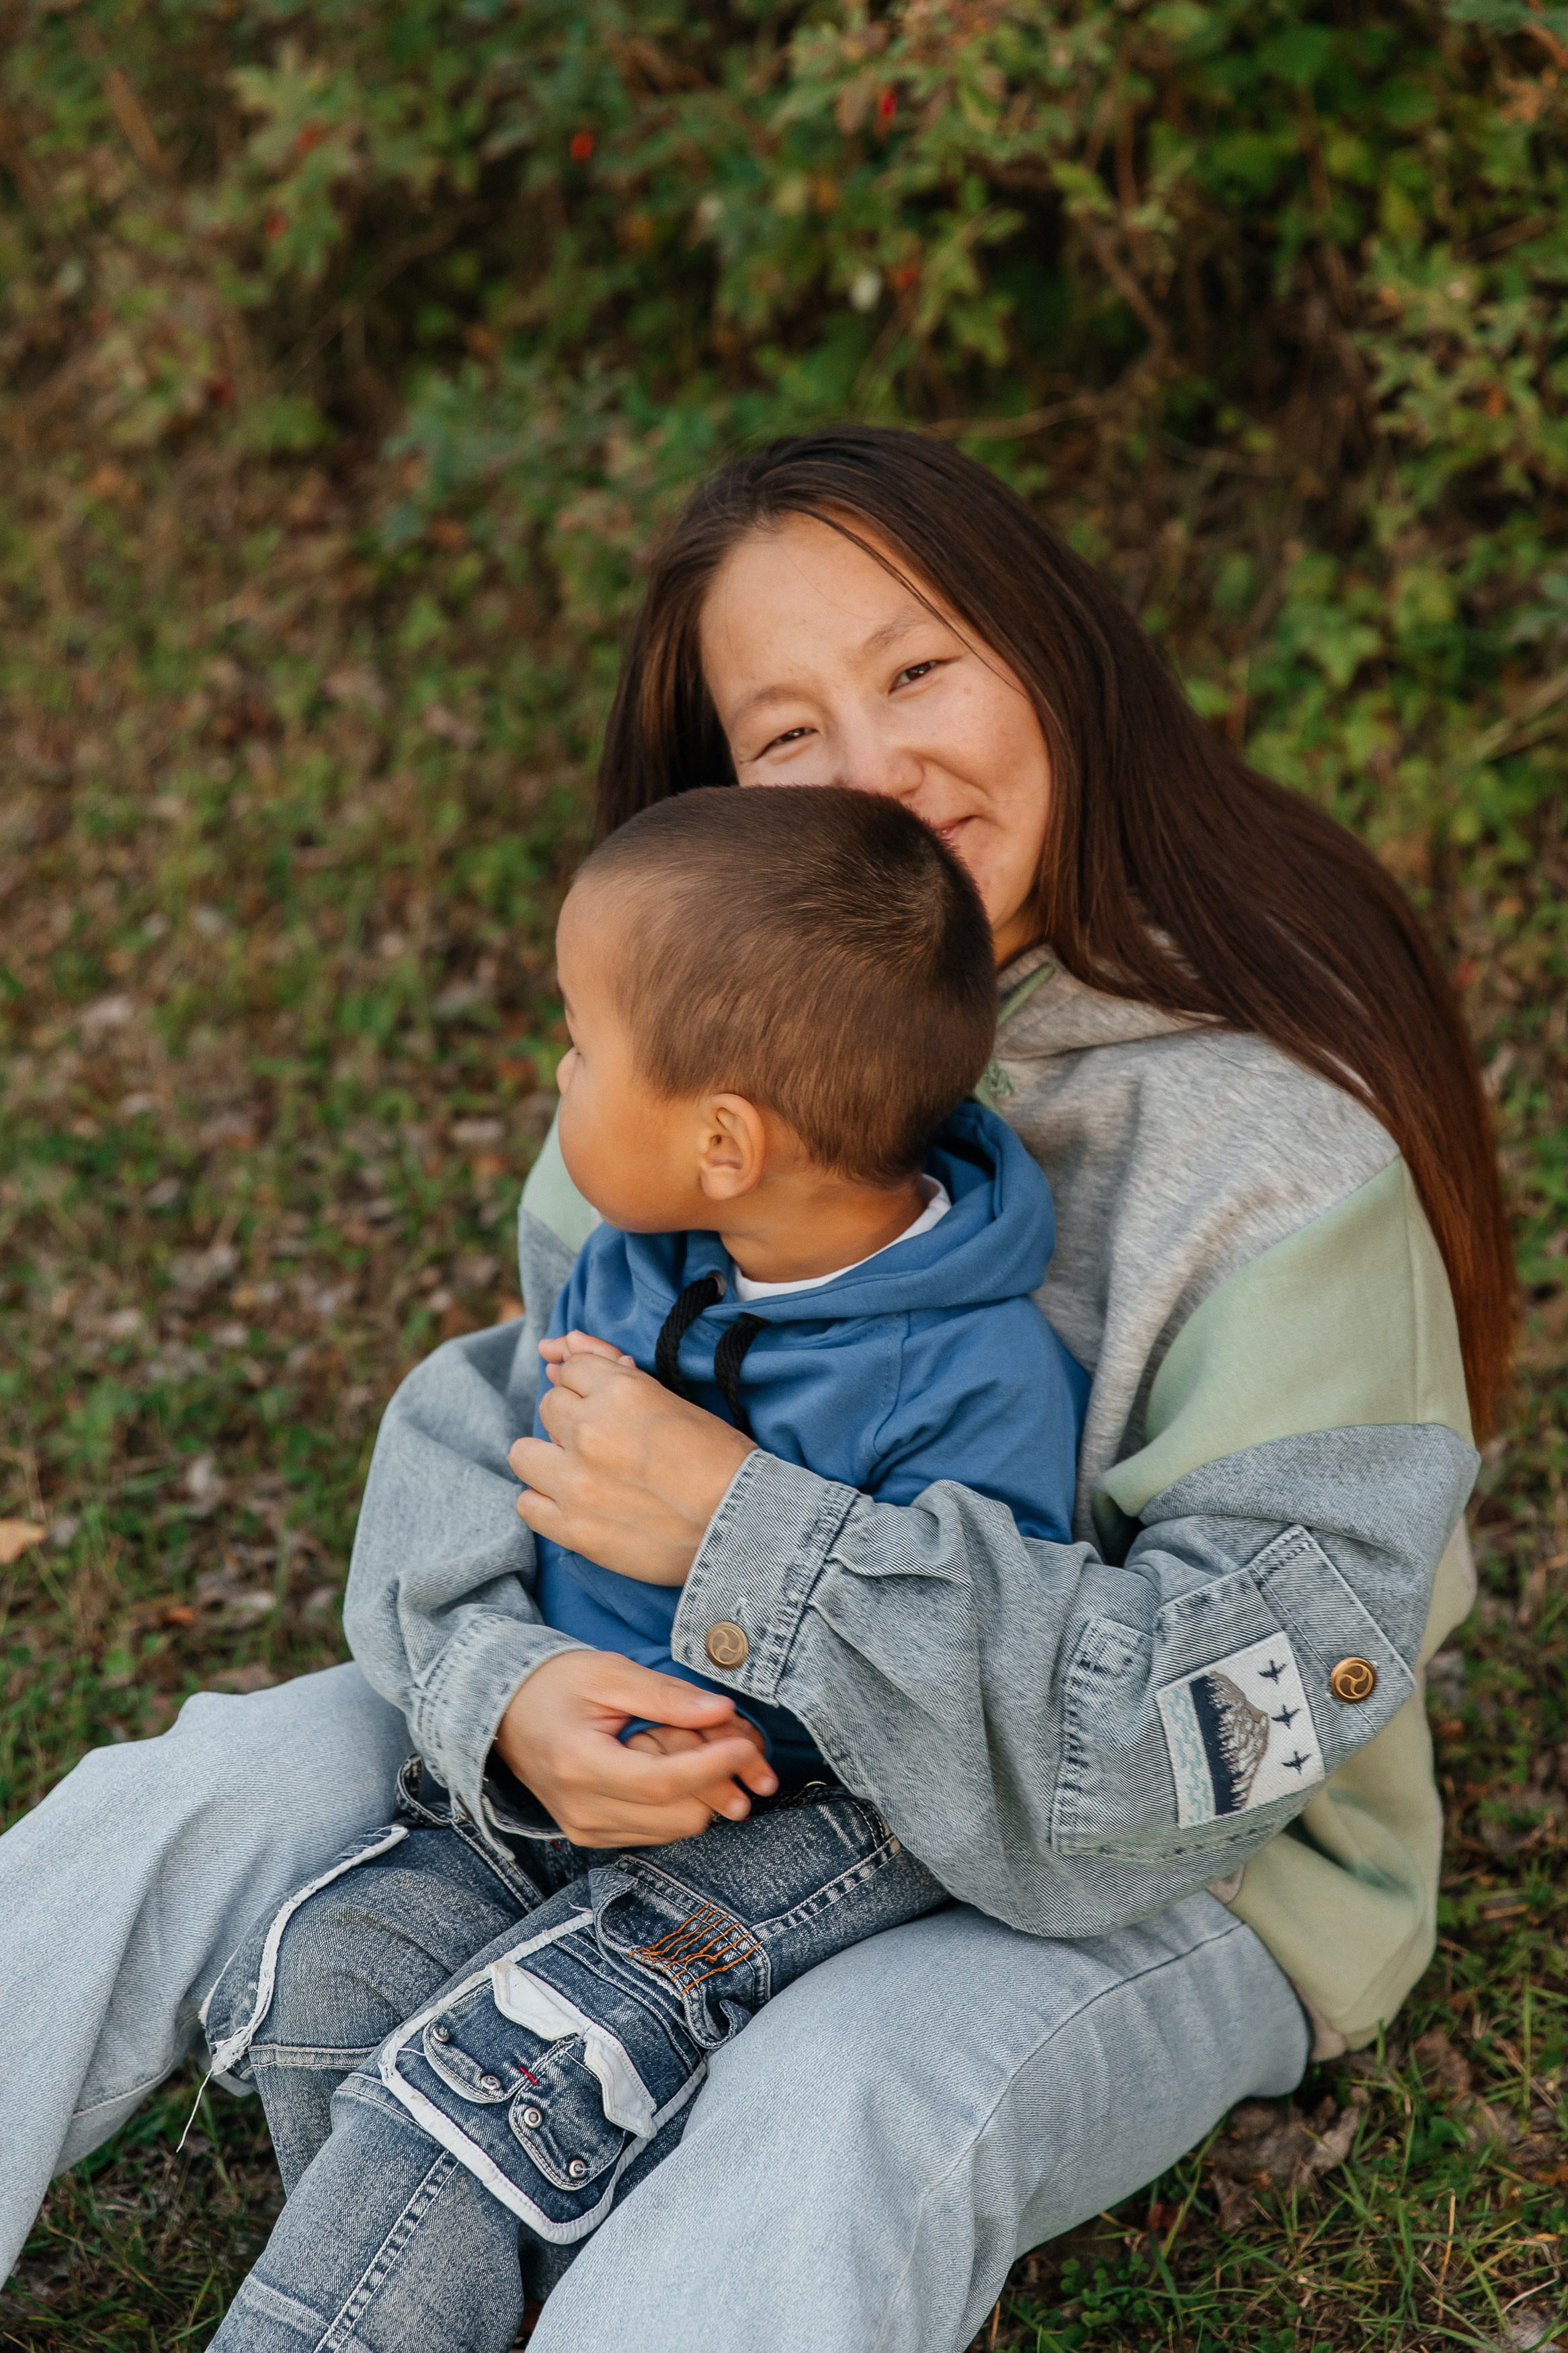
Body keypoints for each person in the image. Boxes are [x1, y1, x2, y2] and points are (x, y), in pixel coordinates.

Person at [0, 427, 1509, 2353]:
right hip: (682, 1757)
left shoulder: (1271, 1160)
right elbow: (500, 1423)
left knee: (825, 2099)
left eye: (915, 670)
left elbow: (1217, 1736)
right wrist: (506, 1686)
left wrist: (748, 1539)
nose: (868, 770)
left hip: (1160, 1874)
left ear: (1053, 658)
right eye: (783, 735)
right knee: (207, 1786)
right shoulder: (690, 1077)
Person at [197, 782, 1089, 2346]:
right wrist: (524, 1695)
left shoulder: (974, 1372)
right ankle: (462, 2282)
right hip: (564, 1771)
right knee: (342, 1973)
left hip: (802, 1824)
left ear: (725, 1140)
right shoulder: (647, 1253)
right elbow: (509, 1462)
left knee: (528, 2056)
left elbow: (972, 1667)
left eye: (582, 1042)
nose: (557, 1071)